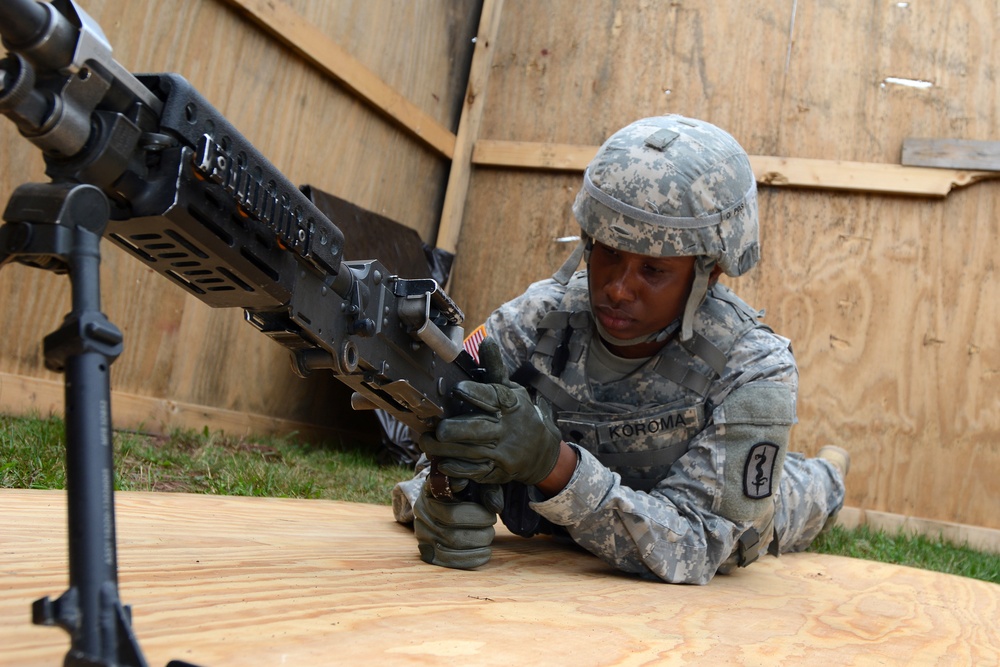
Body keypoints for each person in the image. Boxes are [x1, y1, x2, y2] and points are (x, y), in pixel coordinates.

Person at [391, 114, 848, 584]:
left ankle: (832, 470)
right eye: (608, 252)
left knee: (806, 491)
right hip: (580, 510)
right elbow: (442, 448)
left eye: (653, 270)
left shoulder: (753, 366)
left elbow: (703, 541)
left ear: (709, 273)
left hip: (730, 491)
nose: (618, 288)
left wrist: (552, 466)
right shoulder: (536, 319)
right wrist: (446, 494)